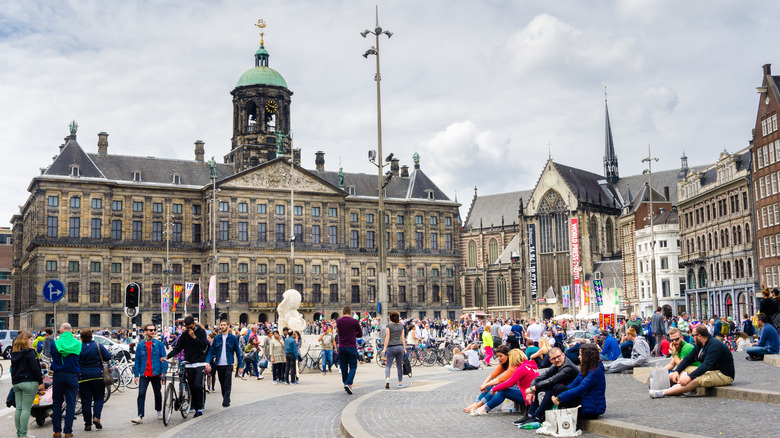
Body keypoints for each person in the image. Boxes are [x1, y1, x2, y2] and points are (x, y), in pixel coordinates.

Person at [650, 325, 735, 398]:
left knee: (695, 380)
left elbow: (706, 365)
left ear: (699, 336)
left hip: (724, 374)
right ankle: (660, 386)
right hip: (711, 370)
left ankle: (663, 393)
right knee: (681, 370)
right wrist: (677, 371)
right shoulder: (700, 344)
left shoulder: (714, 345)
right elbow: (688, 359)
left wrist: (689, 377)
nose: (691, 337)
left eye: (693, 335)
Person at [517, 347, 579, 425]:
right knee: (541, 383)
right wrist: (532, 390)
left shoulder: (568, 367)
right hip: (565, 393)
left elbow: (552, 380)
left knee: (551, 386)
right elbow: (539, 378)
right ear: (550, 360)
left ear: (563, 355)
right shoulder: (556, 364)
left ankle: (538, 416)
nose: (557, 360)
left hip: (574, 397)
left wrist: (533, 388)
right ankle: (531, 414)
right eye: (554, 358)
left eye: (558, 356)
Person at [163, 316, 209, 418]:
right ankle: (196, 408)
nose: (189, 329)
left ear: (194, 324)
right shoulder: (184, 335)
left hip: (200, 363)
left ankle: (200, 408)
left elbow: (204, 346)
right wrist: (167, 356)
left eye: (191, 327)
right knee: (192, 386)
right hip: (189, 363)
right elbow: (178, 348)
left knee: (198, 385)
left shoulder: (201, 332)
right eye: (187, 327)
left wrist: (194, 337)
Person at [550, 344, 607, 426]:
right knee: (558, 388)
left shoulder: (595, 372)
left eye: (580, 355)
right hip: (585, 402)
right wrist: (558, 394)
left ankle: (541, 416)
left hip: (592, 409)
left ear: (587, 356)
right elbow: (573, 384)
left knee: (560, 390)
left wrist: (560, 398)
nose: (578, 357)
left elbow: (580, 389)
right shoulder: (586, 369)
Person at [470, 349, 538, 416]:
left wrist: (494, 389)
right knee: (498, 387)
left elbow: (509, 383)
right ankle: (481, 405)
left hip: (527, 395)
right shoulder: (529, 365)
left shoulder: (521, 368)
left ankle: (484, 408)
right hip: (530, 392)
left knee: (503, 391)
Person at [50, 322, 82, 438]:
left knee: (57, 403)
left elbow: (52, 356)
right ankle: (68, 431)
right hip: (72, 375)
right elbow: (80, 359)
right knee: (71, 403)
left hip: (58, 375)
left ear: (61, 331)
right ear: (71, 331)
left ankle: (57, 431)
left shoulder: (55, 344)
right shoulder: (78, 344)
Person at [132, 323, 167, 424]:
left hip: (156, 374)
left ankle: (159, 411)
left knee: (157, 393)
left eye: (154, 330)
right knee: (141, 394)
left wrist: (163, 373)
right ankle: (140, 415)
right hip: (144, 374)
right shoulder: (140, 345)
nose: (153, 332)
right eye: (150, 330)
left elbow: (163, 359)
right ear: (145, 332)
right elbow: (137, 361)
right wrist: (136, 375)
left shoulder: (159, 344)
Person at [463, 345, 514, 413]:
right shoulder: (504, 363)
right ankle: (476, 403)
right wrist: (484, 385)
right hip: (511, 385)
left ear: (507, 355)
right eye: (497, 356)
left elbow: (502, 379)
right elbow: (492, 375)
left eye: (500, 356)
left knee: (495, 386)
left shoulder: (513, 364)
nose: (498, 358)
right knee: (490, 385)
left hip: (518, 388)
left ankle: (478, 405)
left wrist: (486, 385)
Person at [11, 331, 44, 438]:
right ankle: (23, 434)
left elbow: (13, 369)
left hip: (17, 383)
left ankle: (19, 433)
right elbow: (35, 369)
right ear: (26, 340)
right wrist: (40, 381)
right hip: (29, 382)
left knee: (19, 409)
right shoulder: (30, 352)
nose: (32, 341)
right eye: (30, 339)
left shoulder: (14, 353)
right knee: (26, 409)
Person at [78, 328, 111, 431]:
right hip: (98, 376)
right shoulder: (98, 346)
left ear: (82, 338)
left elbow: (76, 361)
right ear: (91, 337)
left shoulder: (79, 348)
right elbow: (107, 357)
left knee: (86, 401)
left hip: (83, 377)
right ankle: (96, 417)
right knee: (99, 398)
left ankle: (87, 424)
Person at [205, 319, 243, 407]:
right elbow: (211, 351)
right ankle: (226, 398)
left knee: (227, 383)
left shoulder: (233, 338)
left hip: (228, 364)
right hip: (219, 364)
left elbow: (238, 352)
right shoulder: (217, 338)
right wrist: (207, 362)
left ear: (228, 326)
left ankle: (225, 401)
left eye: (224, 325)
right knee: (222, 383)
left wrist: (240, 366)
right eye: (221, 325)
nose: (222, 326)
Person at [336, 305, 362, 394]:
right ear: (350, 312)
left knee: (343, 366)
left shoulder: (338, 321)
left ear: (343, 312)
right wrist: (355, 334)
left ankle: (345, 383)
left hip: (342, 346)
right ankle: (348, 383)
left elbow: (339, 332)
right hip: (351, 346)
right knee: (353, 366)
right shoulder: (354, 321)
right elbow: (360, 334)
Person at [381, 311, 407, 388]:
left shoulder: (389, 326)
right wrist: (404, 348)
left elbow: (387, 338)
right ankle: (400, 383)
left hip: (391, 347)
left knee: (388, 365)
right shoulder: (401, 326)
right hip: (399, 347)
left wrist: (384, 349)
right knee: (399, 366)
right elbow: (402, 338)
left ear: (391, 317)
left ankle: (388, 379)